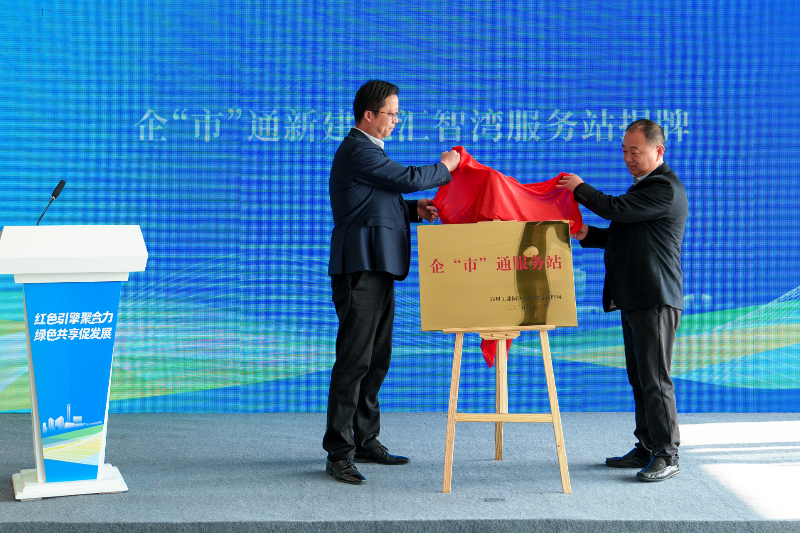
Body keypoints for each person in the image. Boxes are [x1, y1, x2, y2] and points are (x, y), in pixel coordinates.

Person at [325, 80, 460, 484]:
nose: (397, 120)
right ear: (369, 115)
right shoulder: (358, 149)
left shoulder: (370, 152)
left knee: (376, 358)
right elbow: (407, 178)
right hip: (360, 267)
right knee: (354, 360)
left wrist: (415, 211)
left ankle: (366, 440)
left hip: (378, 266)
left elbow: (378, 202)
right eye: (392, 113)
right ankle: (339, 452)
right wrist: (446, 167)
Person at [556, 119, 688, 482]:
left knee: (655, 379)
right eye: (625, 151)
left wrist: (581, 189)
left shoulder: (664, 187)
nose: (628, 158)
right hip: (636, 297)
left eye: (636, 151)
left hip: (656, 297)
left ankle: (668, 454)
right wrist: (586, 234)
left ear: (658, 151)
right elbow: (625, 234)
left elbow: (616, 209)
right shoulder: (643, 187)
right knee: (640, 377)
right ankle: (646, 446)